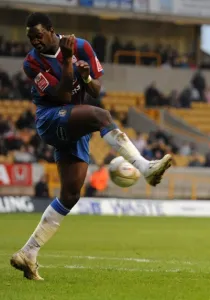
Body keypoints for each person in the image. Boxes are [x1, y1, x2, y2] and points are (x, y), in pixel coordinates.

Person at [10, 12, 172, 281]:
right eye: (30, 38)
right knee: (102, 116)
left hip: (74, 122)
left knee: (71, 194)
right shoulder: (31, 63)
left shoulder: (83, 46)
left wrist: (85, 77)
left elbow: (95, 90)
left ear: (51, 30)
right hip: (51, 119)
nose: (34, 42)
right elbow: (61, 96)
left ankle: (29, 252)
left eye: (37, 35)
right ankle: (146, 167)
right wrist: (67, 62)